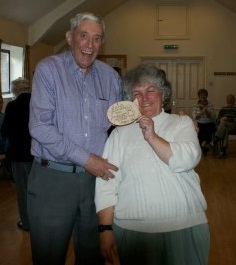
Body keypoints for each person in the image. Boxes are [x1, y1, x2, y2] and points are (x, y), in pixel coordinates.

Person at [28, 12, 122, 265]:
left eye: (97, 38)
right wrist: (87, 159)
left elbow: (123, 121)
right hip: (53, 180)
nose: (89, 45)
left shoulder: (110, 77)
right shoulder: (49, 70)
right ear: (70, 38)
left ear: (102, 43)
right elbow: (40, 127)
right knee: (48, 256)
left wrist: (172, 124)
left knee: (93, 256)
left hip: (96, 182)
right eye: (84, 36)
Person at [95, 63, 209, 265]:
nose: (144, 98)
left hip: (184, 225)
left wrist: (152, 136)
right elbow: (107, 183)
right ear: (130, 100)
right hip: (133, 231)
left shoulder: (181, 123)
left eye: (151, 90)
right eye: (137, 93)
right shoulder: (119, 134)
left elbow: (188, 158)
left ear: (163, 95)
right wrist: (105, 229)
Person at [1, 78, 33, 231]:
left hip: (19, 154)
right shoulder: (38, 103)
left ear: (14, 90)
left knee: (23, 189)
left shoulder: (12, 106)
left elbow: (5, 131)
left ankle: (27, 222)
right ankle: (39, 219)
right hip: (37, 154)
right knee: (37, 188)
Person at [211, 94, 236, 158]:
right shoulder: (223, 109)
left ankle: (216, 139)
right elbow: (217, 119)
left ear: (234, 100)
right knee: (224, 128)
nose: (230, 101)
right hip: (225, 126)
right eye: (228, 99)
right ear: (226, 100)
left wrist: (228, 119)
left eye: (231, 99)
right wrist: (220, 120)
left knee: (224, 125)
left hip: (234, 126)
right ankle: (223, 150)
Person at [192, 88, 216, 155]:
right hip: (199, 121)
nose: (203, 97)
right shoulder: (196, 104)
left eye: (204, 95)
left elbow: (212, 116)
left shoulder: (210, 104)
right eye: (201, 95)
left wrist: (206, 111)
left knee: (209, 127)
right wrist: (202, 112)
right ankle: (205, 144)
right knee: (200, 129)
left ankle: (204, 143)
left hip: (208, 122)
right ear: (199, 96)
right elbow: (194, 117)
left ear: (206, 96)